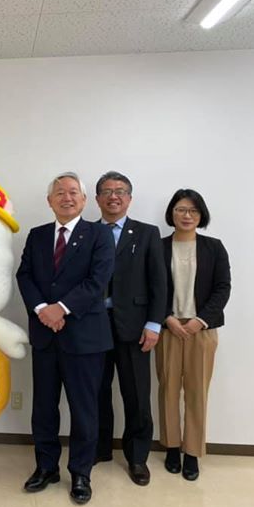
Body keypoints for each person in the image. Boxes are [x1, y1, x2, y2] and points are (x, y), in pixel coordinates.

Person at [16, 172, 115, 504]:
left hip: (85, 338)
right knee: (44, 407)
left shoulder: (99, 234)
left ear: (84, 200)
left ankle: (81, 473)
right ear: (50, 201)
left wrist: (61, 308)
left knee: (84, 409)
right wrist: (42, 309)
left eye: (73, 192)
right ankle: (46, 468)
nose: (67, 197)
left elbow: (98, 280)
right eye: (59, 192)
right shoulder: (37, 235)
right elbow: (24, 275)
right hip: (45, 336)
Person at [94, 171, 166, 486]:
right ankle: (100, 448)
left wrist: (154, 323)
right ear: (97, 199)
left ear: (129, 198)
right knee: (96, 392)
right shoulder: (87, 232)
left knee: (136, 394)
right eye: (107, 191)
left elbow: (159, 282)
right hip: (94, 325)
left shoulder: (147, 233)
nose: (114, 196)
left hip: (136, 326)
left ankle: (137, 457)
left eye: (120, 191)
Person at [156, 189, 231, 481]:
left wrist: (200, 321)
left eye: (193, 210)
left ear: (201, 215)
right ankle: (172, 447)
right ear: (171, 213)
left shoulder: (214, 247)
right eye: (181, 209)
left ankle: (192, 452)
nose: (187, 215)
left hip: (202, 329)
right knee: (168, 389)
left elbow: (222, 287)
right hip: (168, 327)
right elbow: (150, 287)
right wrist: (167, 318)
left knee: (197, 391)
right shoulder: (158, 246)